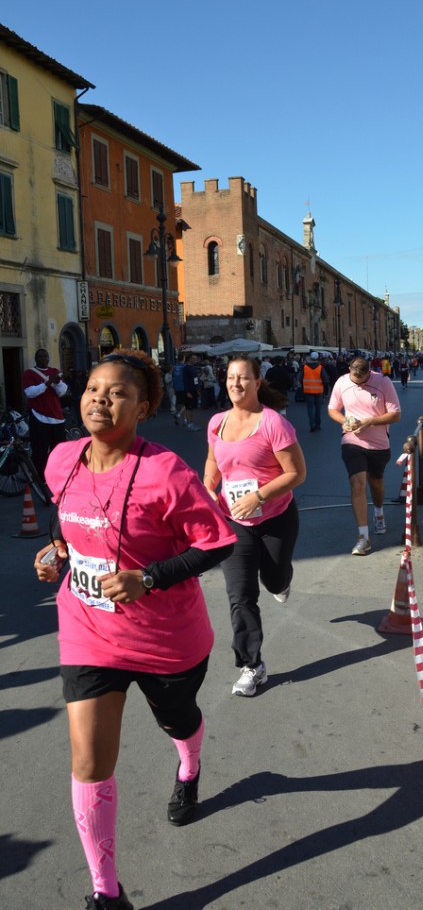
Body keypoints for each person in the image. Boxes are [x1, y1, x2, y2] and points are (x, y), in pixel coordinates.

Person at [33, 349, 237, 910]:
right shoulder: (63, 460)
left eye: (117, 392)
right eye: (94, 387)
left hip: (165, 638)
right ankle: (106, 892)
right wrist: (56, 552)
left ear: (143, 407)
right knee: (88, 761)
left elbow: (218, 542)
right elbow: (67, 528)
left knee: (179, 718)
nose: (101, 397)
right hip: (87, 628)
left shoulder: (164, 471)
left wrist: (150, 577)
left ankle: (190, 764)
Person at [203, 356, 306, 697]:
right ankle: (253, 665)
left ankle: (282, 579)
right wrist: (208, 487)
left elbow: (296, 473)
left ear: (257, 382)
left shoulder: (273, 423)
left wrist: (259, 496)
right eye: (231, 378)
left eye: (243, 378)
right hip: (234, 523)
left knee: (275, 578)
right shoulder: (217, 423)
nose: (236, 384)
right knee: (241, 595)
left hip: (276, 517)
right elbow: (213, 461)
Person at [328, 356, 401, 555]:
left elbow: (396, 414)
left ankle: (379, 514)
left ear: (369, 373)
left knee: (375, 482)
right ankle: (363, 537)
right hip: (352, 442)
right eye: (354, 378)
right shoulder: (342, 382)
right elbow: (332, 409)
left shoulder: (383, 382)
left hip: (378, 444)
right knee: (357, 483)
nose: (357, 382)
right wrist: (343, 421)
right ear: (349, 371)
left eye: (361, 379)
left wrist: (369, 422)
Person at [23, 347, 69, 483]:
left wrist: (57, 383)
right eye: (40, 356)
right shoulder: (29, 373)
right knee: (40, 451)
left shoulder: (55, 372)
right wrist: (47, 383)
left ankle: (58, 475)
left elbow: (62, 392)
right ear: (36, 359)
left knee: (59, 451)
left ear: (48, 358)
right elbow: (30, 393)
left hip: (57, 418)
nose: (43, 358)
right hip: (39, 417)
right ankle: (42, 478)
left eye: (45, 356)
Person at [302, 351, 329, 433]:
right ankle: (318, 425)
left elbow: (300, 378)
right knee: (318, 409)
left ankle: (312, 425)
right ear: (317, 358)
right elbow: (325, 380)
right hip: (319, 391)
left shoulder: (305, 367)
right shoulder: (320, 368)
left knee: (310, 409)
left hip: (308, 391)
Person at [182, 354, 201, 431]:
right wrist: (187, 392)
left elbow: (195, 380)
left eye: (196, 358)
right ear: (189, 359)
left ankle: (192, 423)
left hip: (194, 390)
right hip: (189, 390)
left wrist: (197, 389)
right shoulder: (186, 368)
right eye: (194, 358)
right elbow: (185, 381)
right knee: (189, 407)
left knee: (193, 407)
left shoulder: (193, 368)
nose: (195, 360)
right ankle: (189, 424)